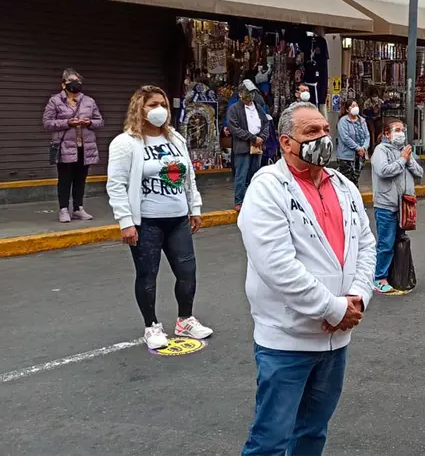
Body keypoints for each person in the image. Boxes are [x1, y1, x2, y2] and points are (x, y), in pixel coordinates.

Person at [238, 102, 376, 455]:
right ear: (286, 142)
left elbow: (365, 244)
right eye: (311, 132)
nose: (323, 138)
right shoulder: (268, 188)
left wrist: (359, 296)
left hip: (336, 341)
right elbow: (276, 266)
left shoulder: (343, 186)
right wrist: (333, 309)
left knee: (313, 432)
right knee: (270, 440)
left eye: (325, 130)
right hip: (287, 342)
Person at [106, 85, 212, 350]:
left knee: (187, 272)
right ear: (139, 108)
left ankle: (185, 320)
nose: (160, 110)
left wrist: (195, 208)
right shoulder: (125, 143)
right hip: (147, 222)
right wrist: (126, 222)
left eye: (163, 104)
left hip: (178, 219)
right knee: (147, 275)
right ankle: (151, 325)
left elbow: (188, 176)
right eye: (153, 104)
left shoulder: (175, 139)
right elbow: (116, 185)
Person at [370, 118, 424, 295]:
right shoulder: (381, 150)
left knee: (398, 241)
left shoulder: (405, 151)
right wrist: (402, 160)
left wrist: (408, 160)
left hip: (404, 205)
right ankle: (379, 278)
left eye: (403, 130)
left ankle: (394, 274)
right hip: (386, 205)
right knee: (386, 243)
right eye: (397, 130)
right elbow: (383, 171)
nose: (401, 134)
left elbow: (419, 173)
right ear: (387, 133)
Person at [43, 68, 104, 223]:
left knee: (80, 179)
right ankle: (63, 209)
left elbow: (100, 121)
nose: (75, 84)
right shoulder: (55, 101)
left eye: (78, 81)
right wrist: (67, 123)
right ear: (63, 84)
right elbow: (47, 123)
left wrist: (89, 122)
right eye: (71, 81)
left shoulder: (89, 101)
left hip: (86, 147)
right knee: (65, 179)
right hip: (65, 146)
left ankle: (78, 209)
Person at [227, 80, 270, 211]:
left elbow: (266, 124)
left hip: (257, 146)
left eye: (252, 93)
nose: (251, 95)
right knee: (241, 174)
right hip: (243, 146)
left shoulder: (258, 107)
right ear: (240, 94)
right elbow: (234, 128)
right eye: (248, 92)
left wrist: (261, 137)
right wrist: (252, 137)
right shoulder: (234, 109)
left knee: (255, 174)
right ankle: (239, 201)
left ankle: (253, 200)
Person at [336, 100, 370, 186]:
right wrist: (358, 148)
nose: (355, 107)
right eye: (352, 106)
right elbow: (345, 138)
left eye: (356, 105)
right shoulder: (343, 121)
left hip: (360, 156)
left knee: (355, 179)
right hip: (346, 156)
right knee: (347, 182)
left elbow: (367, 136)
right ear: (347, 109)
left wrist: (364, 148)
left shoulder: (362, 120)